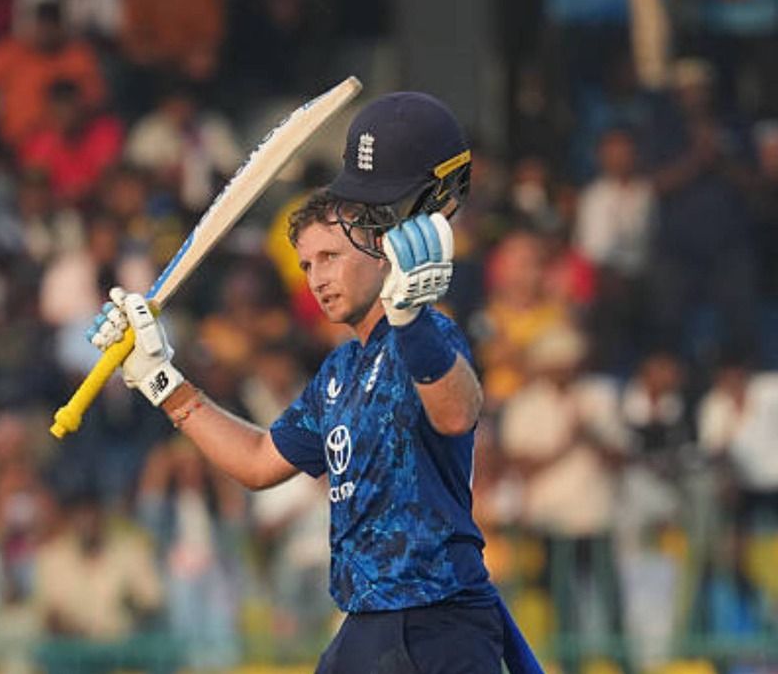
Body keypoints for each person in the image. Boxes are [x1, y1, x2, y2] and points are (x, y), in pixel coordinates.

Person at [87, 92, 542, 673]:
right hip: (366, 620)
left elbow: (458, 413)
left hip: (438, 618)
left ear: (380, 249)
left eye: (330, 256)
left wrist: (409, 319)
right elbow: (257, 461)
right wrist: (161, 381)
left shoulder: (426, 333)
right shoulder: (338, 373)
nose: (316, 279)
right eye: (306, 265)